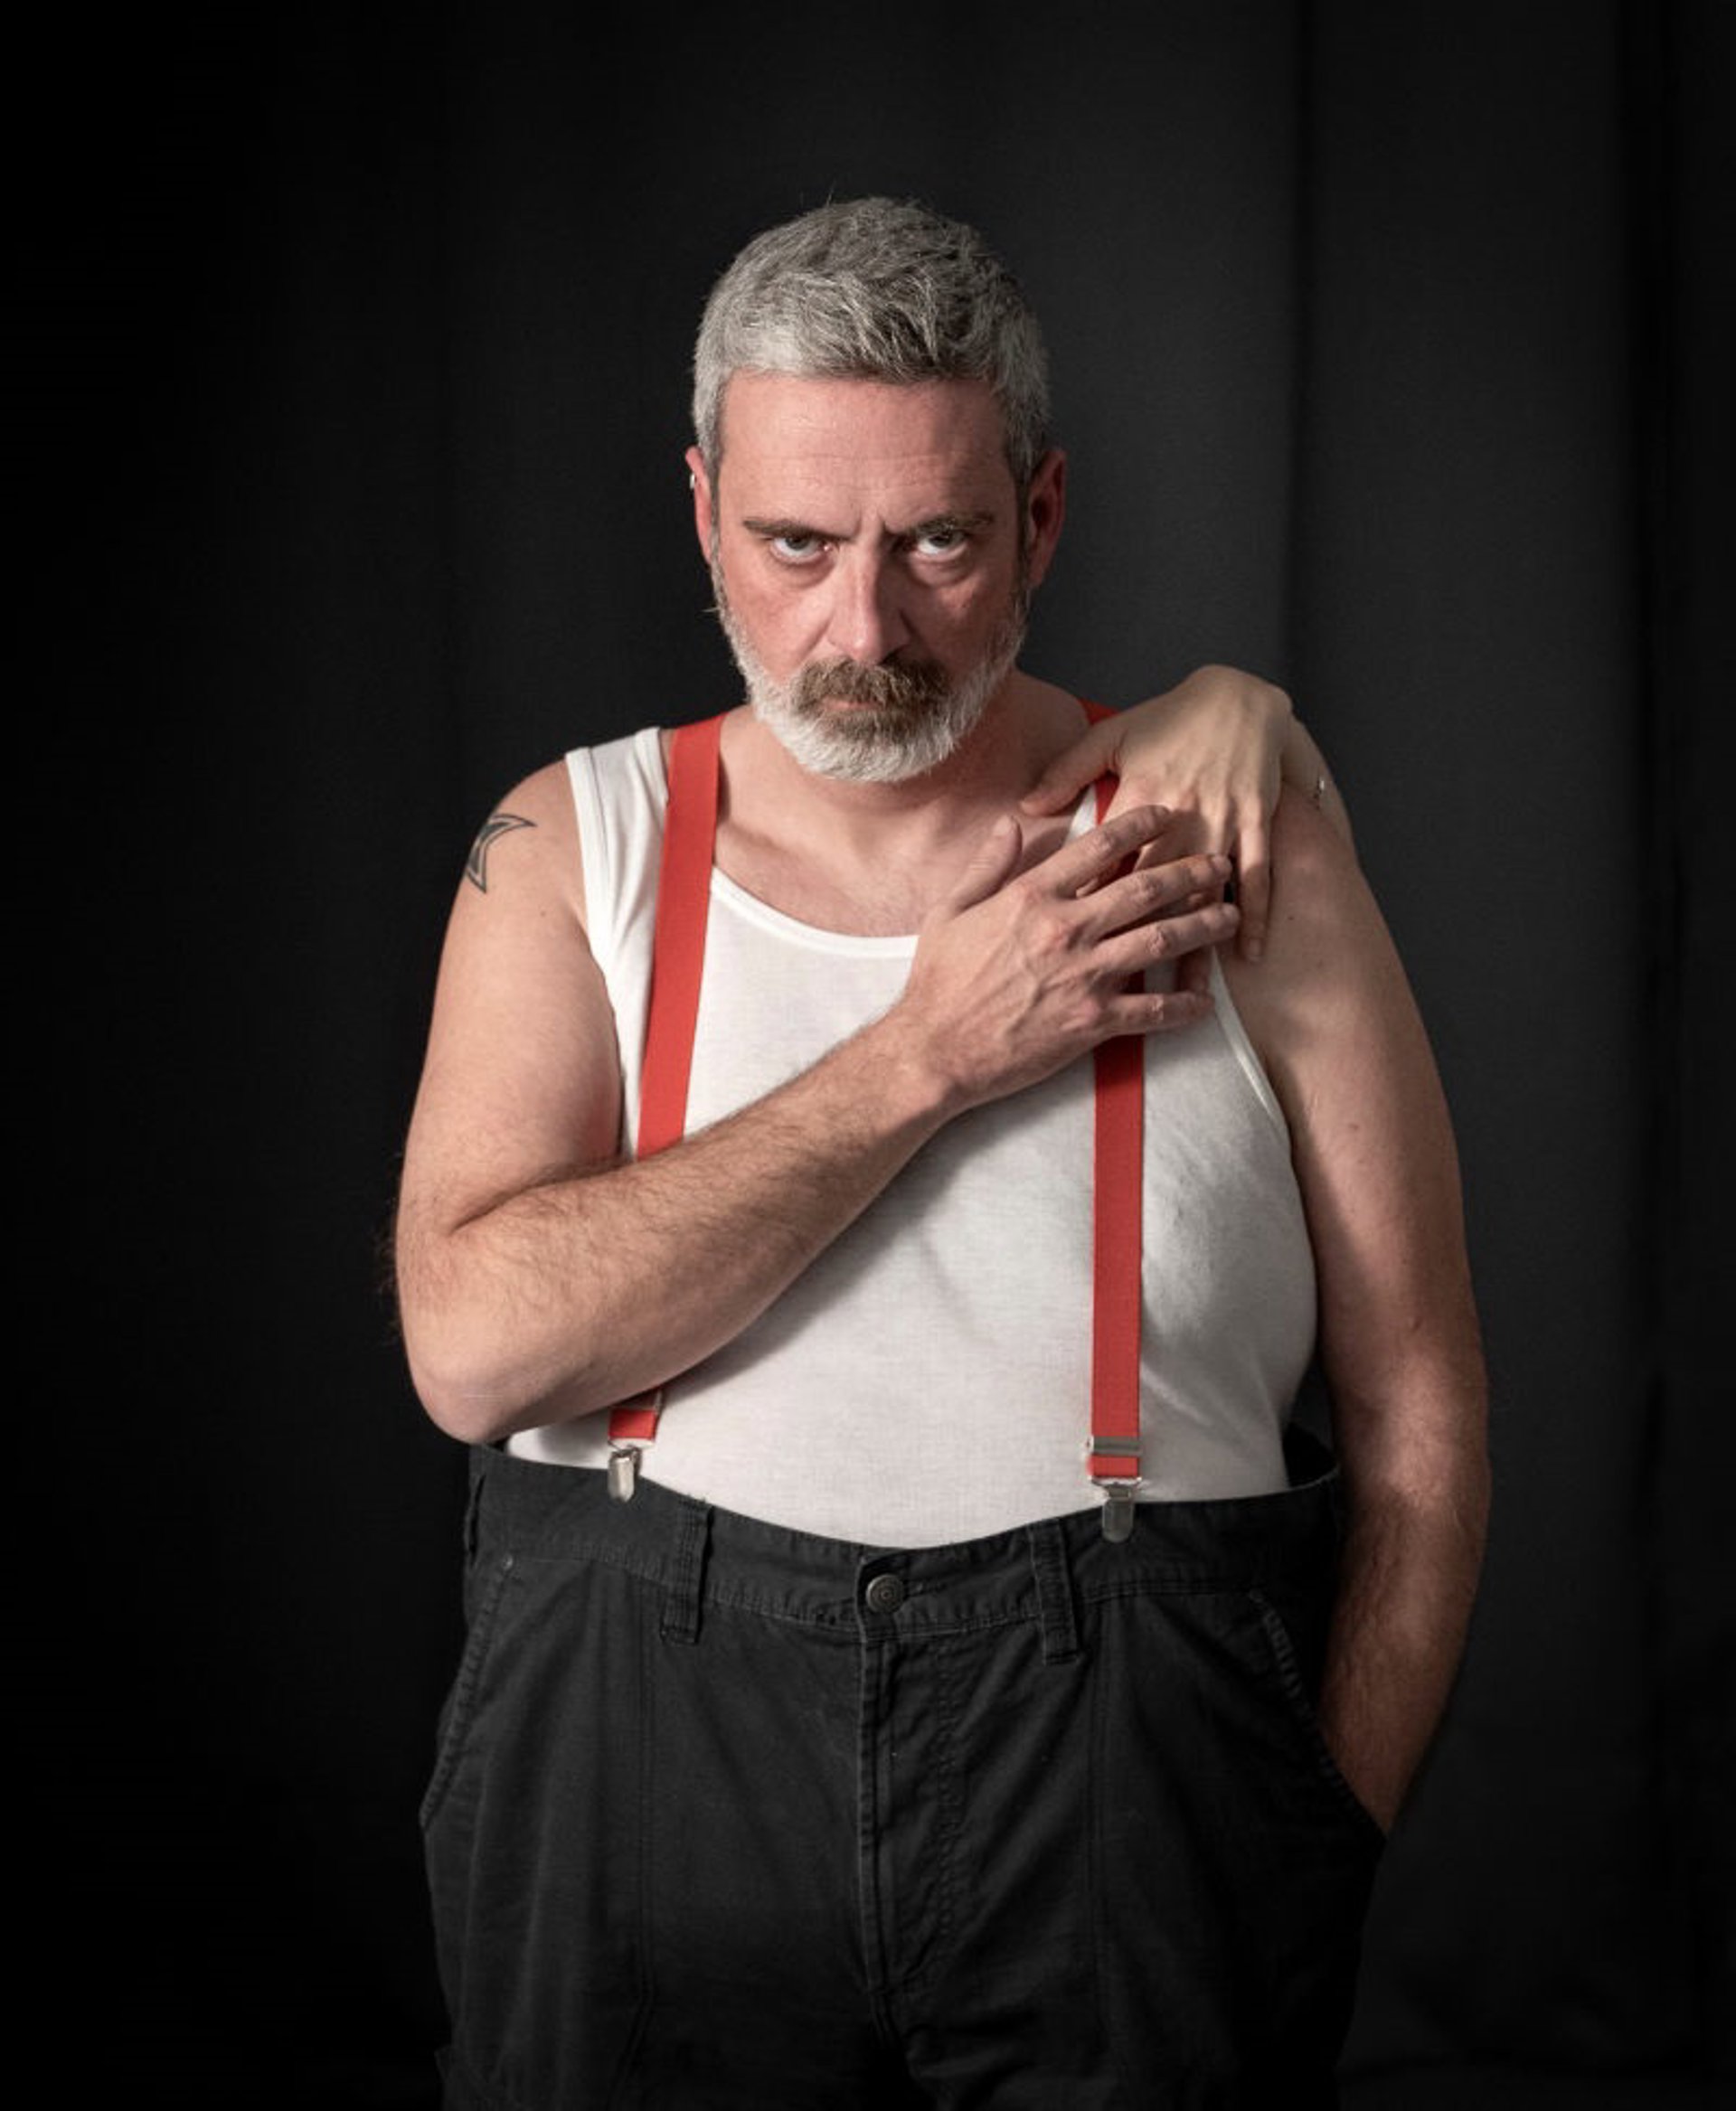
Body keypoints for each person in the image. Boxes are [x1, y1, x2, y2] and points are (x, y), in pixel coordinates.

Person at [394, 197, 1488, 2109]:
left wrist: (1316, 1832)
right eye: (795, 544)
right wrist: (929, 1054)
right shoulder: (572, 849)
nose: (863, 631)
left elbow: (1420, 1408)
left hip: (1136, 1784)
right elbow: (471, 1352)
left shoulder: (1236, 833)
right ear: (701, 512)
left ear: (1042, 519)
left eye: (938, 543)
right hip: (640, 1769)